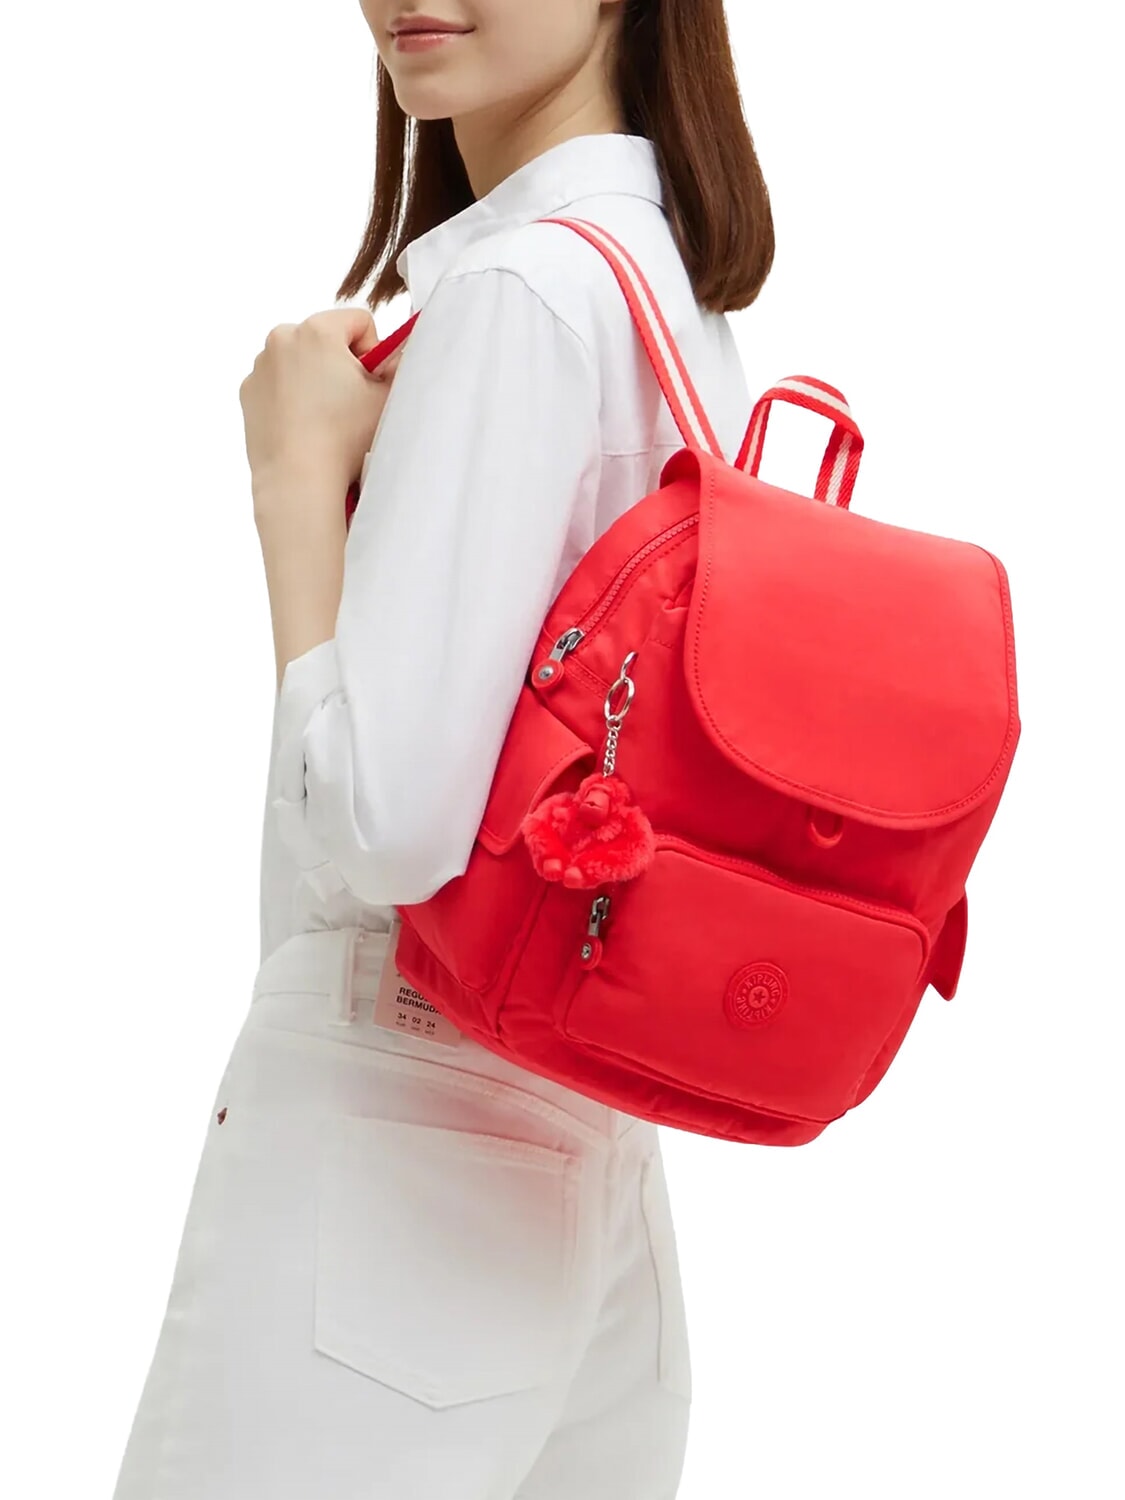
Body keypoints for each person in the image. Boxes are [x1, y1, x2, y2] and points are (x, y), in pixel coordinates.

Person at [111, 2, 772, 1496]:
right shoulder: (658, 288)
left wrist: (295, 480)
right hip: (589, 1158)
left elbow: (391, 826)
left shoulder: (520, 292)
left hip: (391, 1149)